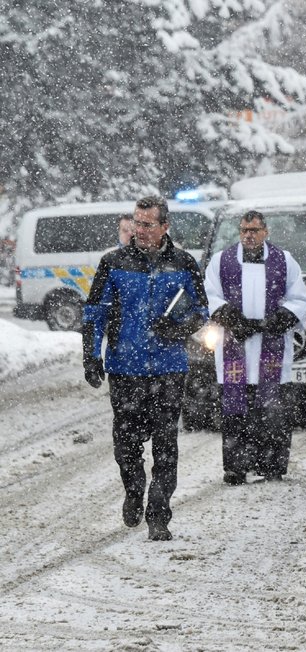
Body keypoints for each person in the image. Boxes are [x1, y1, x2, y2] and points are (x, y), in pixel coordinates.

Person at [82, 195, 208, 541]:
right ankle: (134, 490)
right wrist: (91, 356)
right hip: (125, 368)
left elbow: (201, 311)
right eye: (136, 223)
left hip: (169, 369)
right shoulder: (114, 262)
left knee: (166, 443)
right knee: (126, 445)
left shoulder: (184, 263)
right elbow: (94, 313)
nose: (139, 230)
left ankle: (159, 514)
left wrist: (178, 328)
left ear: (164, 227)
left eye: (147, 224)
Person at [203, 210, 306, 485]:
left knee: (272, 411)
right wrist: (233, 319)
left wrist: (276, 320)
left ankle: (272, 465)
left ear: (265, 232)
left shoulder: (283, 261)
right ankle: (236, 467)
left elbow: (299, 297)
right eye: (244, 230)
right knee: (236, 411)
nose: (248, 235)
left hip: (270, 343)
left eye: (254, 230)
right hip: (235, 345)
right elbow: (211, 294)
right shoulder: (222, 261)